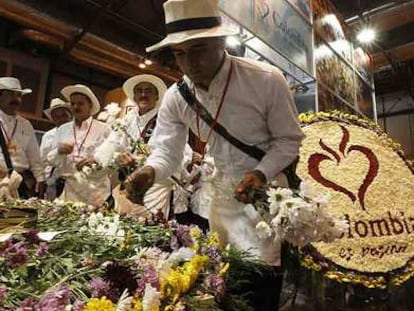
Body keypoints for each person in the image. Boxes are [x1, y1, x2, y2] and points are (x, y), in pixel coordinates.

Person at [125, 0, 305, 310]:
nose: (189, 63)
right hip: (221, 200)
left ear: (221, 42)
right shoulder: (176, 96)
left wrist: (260, 174)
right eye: (180, 54)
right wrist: (149, 172)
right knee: (224, 282)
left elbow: (288, 141)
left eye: (198, 50)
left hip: (266, 198)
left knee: (260, 283)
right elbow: (167, 151)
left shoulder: (265, 79)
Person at [47, 84, 111, 207]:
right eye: (73, 103)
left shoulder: (105, 129)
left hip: (96, 192)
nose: (76, 107)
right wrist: (59, 151)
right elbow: (50, 161)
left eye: (80, 103)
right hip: (69, 191)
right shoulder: (63, 129)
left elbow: (114, 161)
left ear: (90, 106)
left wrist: (97, 160)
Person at [0, 77, 46, 199]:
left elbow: (34, 155)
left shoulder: (25, 124)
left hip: (18, 182)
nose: (16, 99)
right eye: (10, 94)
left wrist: (40, 178)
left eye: (19, 95)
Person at [40, 98, 72, 200]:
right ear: (52, 118)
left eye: (64, 115)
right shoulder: (48, 135)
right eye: (56, 116)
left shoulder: (78, 133)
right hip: (51, 180)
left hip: (72, 181)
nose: (61, 119)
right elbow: (42, 160)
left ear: (70, 116)